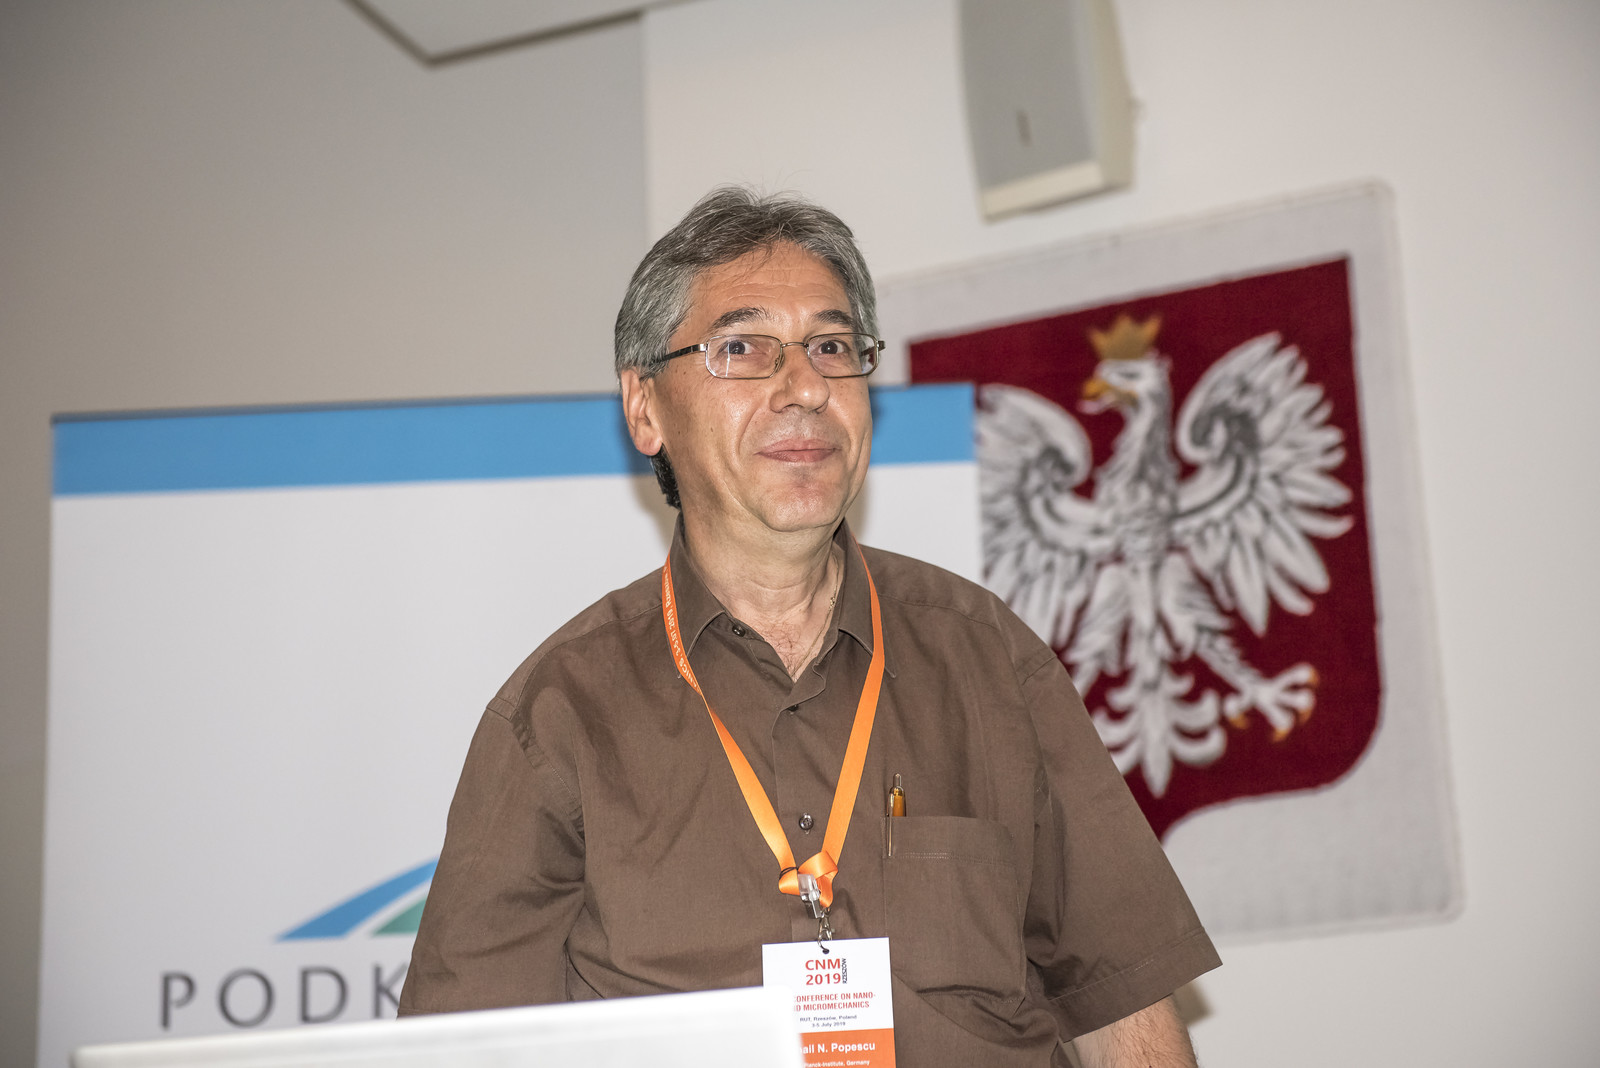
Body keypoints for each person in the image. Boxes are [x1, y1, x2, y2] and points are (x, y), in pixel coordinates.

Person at [398, 188, 1220, 1066]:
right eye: (742, 349)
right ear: (645, 408)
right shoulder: (558, 716)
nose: (805, 387)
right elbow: (462, 1057)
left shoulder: (988, 658)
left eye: (832, 347)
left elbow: (1125, 1011)